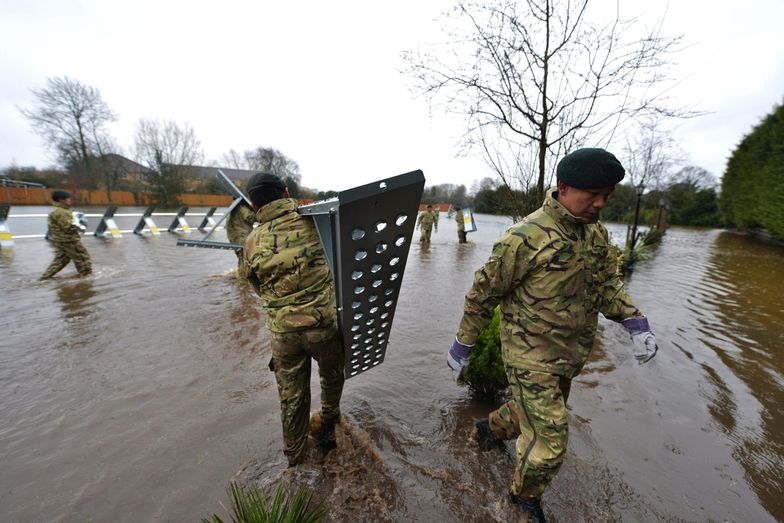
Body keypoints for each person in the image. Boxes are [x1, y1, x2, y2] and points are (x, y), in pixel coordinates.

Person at [446, 148, 659, 522]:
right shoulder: (525, 237)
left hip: (569, 354)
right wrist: (464, 343)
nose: (600, 203)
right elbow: (484, 291)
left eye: (606, 195)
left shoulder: (594, 233)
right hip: (529, 356)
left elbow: (607, 284)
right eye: (592, 194)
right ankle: (521, 501)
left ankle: (488, 430)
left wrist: (634, 322)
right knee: (551, 439)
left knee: (531, 413)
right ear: (563, 187)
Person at [241, 172, 345, 466]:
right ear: (286, 192)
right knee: (332, 376)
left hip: (283, 335)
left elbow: (255, 286)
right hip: (322, 327)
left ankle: (294, 460)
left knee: (292, 397)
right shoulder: (316, 220)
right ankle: (328, 426)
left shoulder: (251, 242)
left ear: (252, 205)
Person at [40, 190, 92, 279]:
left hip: (60, 241)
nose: (70, 200)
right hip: (69, 241)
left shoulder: (58, 211)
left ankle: (44, 278)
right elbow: (69, 227)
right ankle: (86, 278)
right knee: (83, 258)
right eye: (68, 198)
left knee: (61, 260)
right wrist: (82, 225)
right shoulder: (61, 212)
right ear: (61, 200)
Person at [225, 200, 256, 277]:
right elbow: (250, 217)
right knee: (245, 259)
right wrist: (258, 213)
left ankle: (241, 277)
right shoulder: (242, 208)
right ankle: (243, 279)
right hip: (242, 238)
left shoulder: (232, 208)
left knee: (241, 258)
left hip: (234, 238)